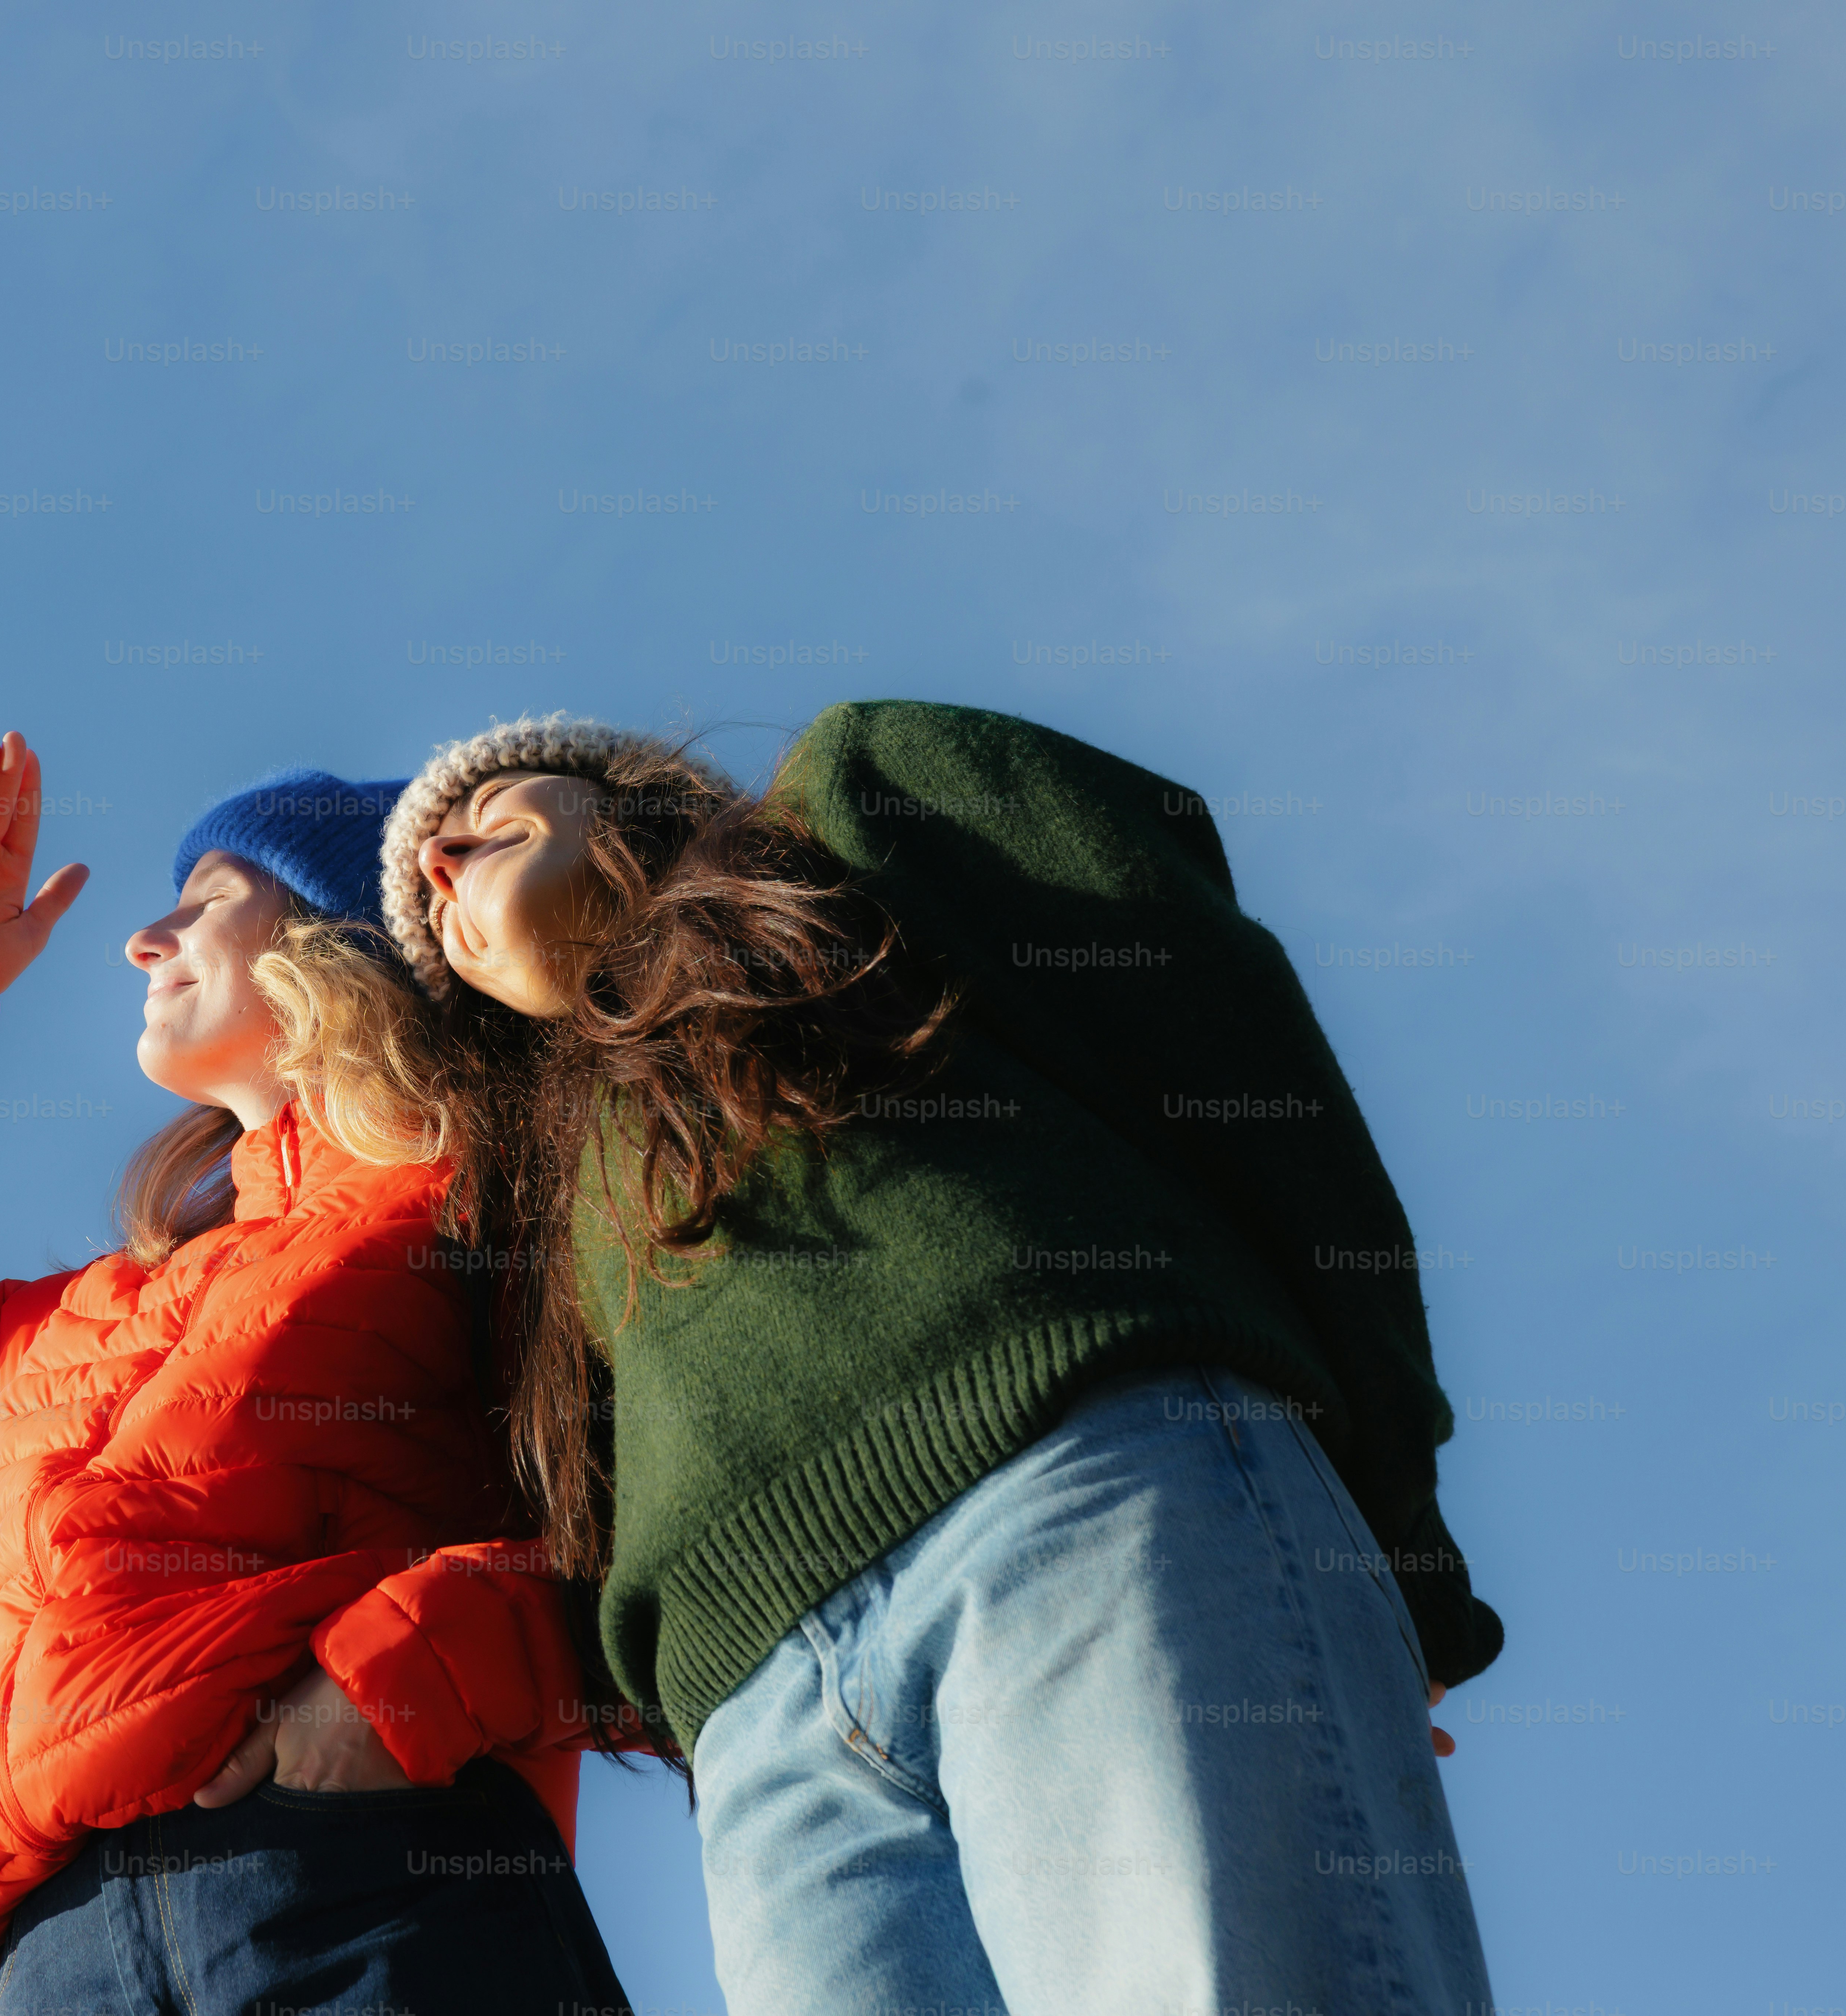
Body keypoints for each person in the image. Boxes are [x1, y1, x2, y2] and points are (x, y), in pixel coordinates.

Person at [376, 700, 1501, 2015]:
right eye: (422, 903)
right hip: (764, 1732)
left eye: (477, 807)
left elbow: (1245, 1064)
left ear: (616, 788)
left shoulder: (855, 802)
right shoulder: (559, 1207)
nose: (442, 860)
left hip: (1074, 1502)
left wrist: (1398, 1545)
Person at [0, 732, 631, 2014]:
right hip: (57, 1949)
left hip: (368, 1878)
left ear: (336, 945)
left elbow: (679, 1516)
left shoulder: (493, 1210)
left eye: (210, 900)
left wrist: (391, 1685)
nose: (147, 935)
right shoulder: (87, 1322)